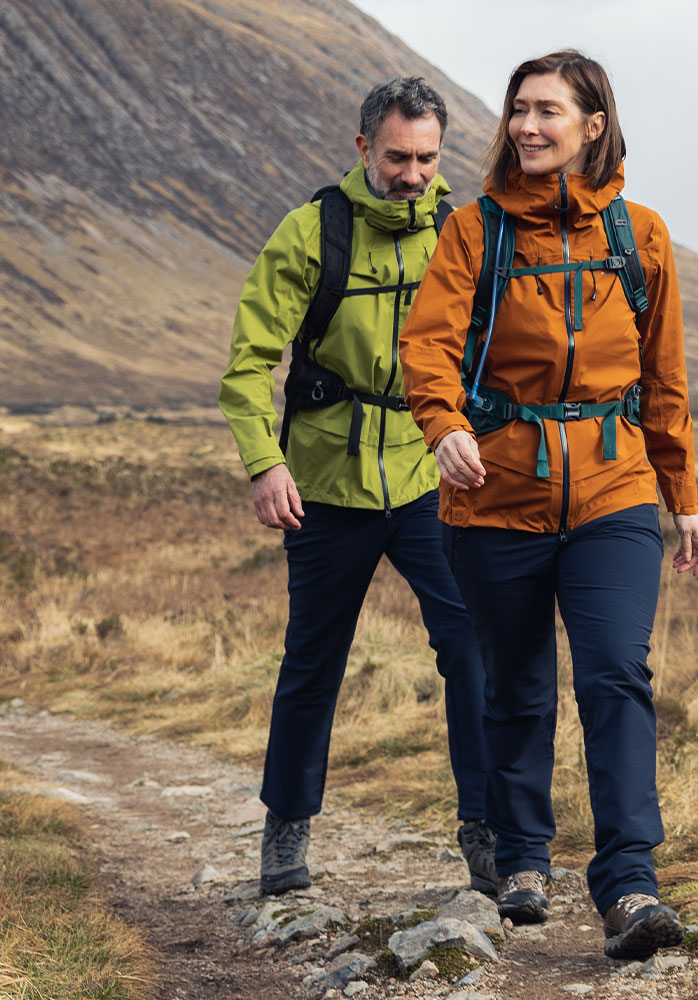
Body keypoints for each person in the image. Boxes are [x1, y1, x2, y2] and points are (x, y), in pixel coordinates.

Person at [399, 51, 698, 960]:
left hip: (615, 491)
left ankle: (630, 883)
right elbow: (428, 348)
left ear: (593, 125)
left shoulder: (640, 235)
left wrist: (681, 494)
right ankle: (524, 858)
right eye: (518, 110)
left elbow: (665, 377)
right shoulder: (473, 231)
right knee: (515, 683)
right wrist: (442, 423)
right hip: (494, 493)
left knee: (616, 673)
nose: (527, 126)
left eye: (547, 111)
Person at [219, 78, 495, 898]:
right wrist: (265, 464)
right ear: (363, 148)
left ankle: (485, 831)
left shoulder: (464, 231)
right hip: (326, 484)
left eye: (428, 159)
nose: (414, 175)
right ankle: (286, 828)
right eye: (398, 157)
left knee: (472, 648)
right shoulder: (310, 234)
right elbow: (246, 367)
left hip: (428, 481)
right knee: (314, 660)